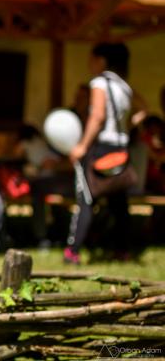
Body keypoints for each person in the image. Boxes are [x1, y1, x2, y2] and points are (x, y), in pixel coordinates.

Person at [66, 42, 141, 264]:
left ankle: (73, 251)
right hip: (121, 149)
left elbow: (97, 116)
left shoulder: (99, 82)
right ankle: (123, 250)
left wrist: (82, 145)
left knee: (86, 198)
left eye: (91, 59)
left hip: (101, 149)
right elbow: (143, 108)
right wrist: (128, 126)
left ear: (101, 60)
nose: (89, 64)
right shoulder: (124, 86)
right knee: (118, 202)